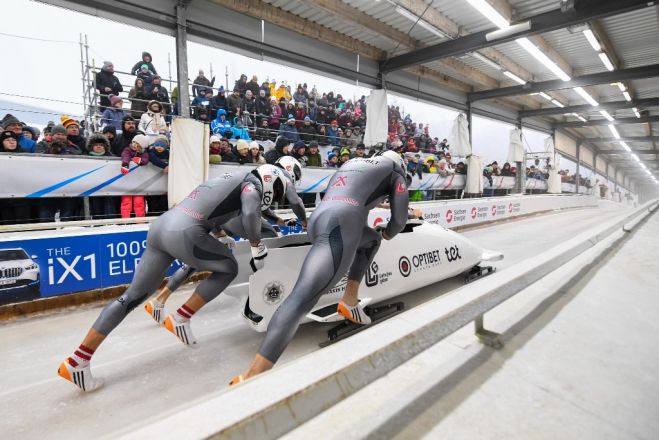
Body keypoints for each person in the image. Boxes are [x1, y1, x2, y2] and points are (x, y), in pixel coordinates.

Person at [58, 164, 292, 391]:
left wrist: (218, 232)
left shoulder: (224, 180)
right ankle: (181, 317)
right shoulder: (250, 187)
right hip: (186, 231)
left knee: (131, 297)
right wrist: (255, 245)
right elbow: (249, 213)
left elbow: (212, 211)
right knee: (228, 267)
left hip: (162, 225)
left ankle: (78, 361)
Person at [231, 151, 410, 384]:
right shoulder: (396, 173)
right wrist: (387, 232)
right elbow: (399, 221)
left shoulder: (353, 162)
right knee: (301, 299)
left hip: (320, 219)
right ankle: (251, 377)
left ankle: (349, 301)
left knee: (370, 240)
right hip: (341, 226)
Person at [86, 134, 118, 219]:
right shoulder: (85, 158)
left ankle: (112, 226)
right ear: (91, 147)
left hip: (110, 188)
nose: (98, 147)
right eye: (96, 145)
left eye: (101, 145)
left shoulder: (113, 158)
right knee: (96, 210)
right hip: (93, 188)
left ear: (105, 147)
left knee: (110, 209)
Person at [120, 134, 150, 218]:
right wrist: (125, 164)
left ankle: (140, 221)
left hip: (139, 182)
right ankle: (125, 220)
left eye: (137, 143)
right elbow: (125, 156)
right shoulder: (127, 150)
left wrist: (140, 160)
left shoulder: (144, 153)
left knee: (139, 202)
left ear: (141, 146)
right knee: (126, 202)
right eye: (133, 142)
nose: (134, 144)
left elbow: (146, 160)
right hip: (127, 183)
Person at [146, 135, 170, 216]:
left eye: (162, 146)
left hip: (163, 184)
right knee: (152, 202)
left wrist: (170, 165)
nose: (159, 147)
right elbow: (153, 159)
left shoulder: (168, 153)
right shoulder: (151, 152)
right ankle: (151, 215)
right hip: (151, 184)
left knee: (163, 202)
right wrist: (165, 166)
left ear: (166, 146)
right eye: (157, 145)